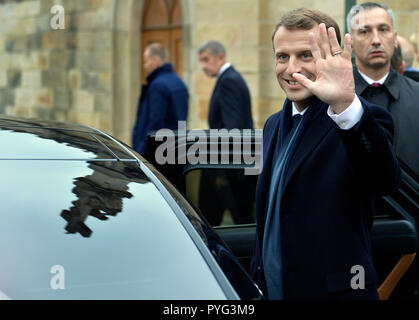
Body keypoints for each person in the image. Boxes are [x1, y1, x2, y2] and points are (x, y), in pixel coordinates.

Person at [250, 8, 400, 300]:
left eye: (306, 55)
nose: (291, 68)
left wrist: (345, 105)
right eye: (282, 57)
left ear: (331, 57)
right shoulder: (272, 125)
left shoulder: (358, 119)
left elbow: (384, 181)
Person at [347, 2, 419, 177]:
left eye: (383, 29)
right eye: (364, 31)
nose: (376, 40)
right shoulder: (334, 101)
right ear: (350, 42)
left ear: (394, 38)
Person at [197, 40, 254, 226]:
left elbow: (233, 130)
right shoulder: (229, 78)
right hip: (231, 165)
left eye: (206, 60)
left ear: (220, 57)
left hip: (230, 168)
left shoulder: (228, 81)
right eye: (201, 61)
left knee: (239, 221)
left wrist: (221, 173)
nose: (203, 66)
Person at [132, 43, 188, 156]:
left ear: (156, 60)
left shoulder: (158, 86)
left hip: (158, 152)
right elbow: (182, 120)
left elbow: (155, 123)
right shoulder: (179, 82)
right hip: (175, 148)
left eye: (146, 61)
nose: (145, 66)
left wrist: (141, 152)